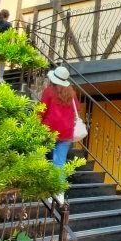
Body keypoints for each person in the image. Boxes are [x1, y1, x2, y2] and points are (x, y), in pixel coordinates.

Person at [40, 65, 77, 204]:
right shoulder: (72, 94)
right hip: (66, 132)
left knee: (39, 155)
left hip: (49, 130)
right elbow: (77, 110)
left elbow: (41, 110)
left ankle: (42, 187)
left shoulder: (48, 92)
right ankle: (59, 194)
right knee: (59, 163)